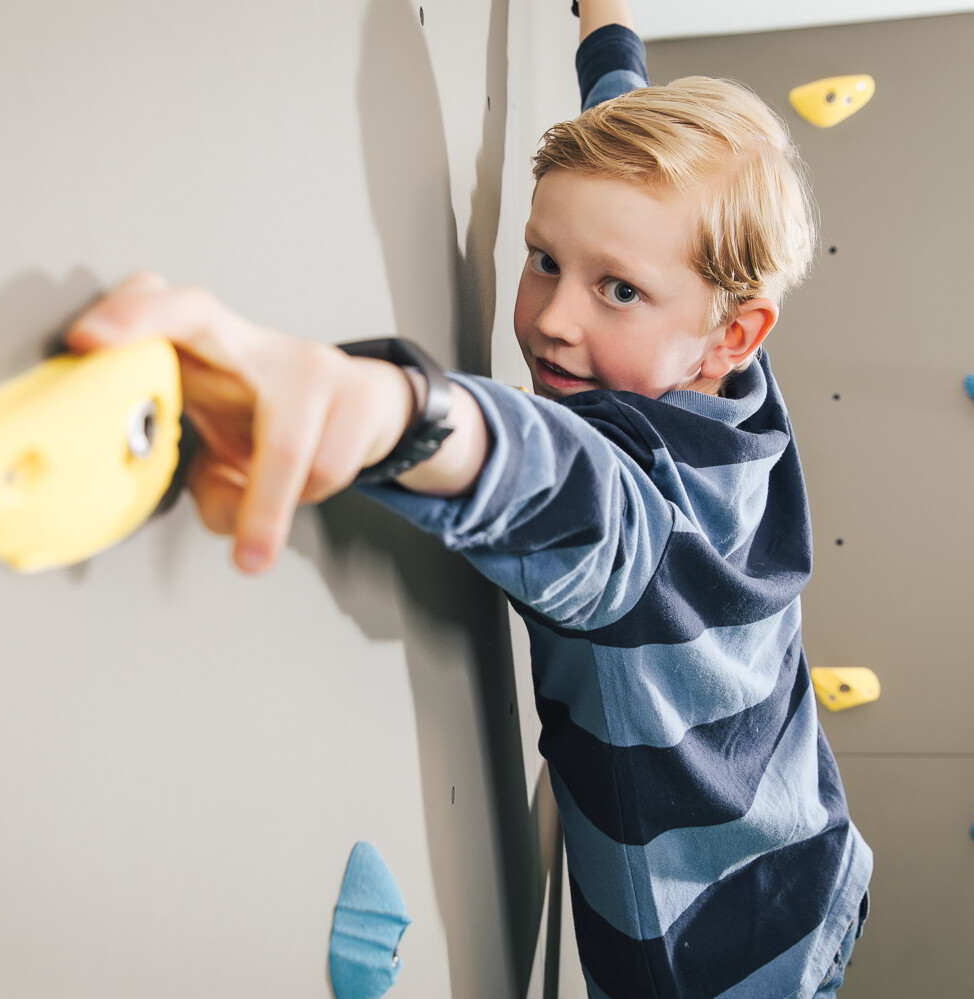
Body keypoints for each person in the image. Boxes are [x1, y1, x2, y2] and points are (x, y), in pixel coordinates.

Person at [68, 1, 870, 995]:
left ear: (734, 334)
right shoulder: (717, 352)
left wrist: (379, 406)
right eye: (543, 260)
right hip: (815, 841)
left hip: (729, 955)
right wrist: (605, 22)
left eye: (615, 290)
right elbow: (628, 147)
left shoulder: (647, 518)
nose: (553, 321)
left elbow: (553, 480)